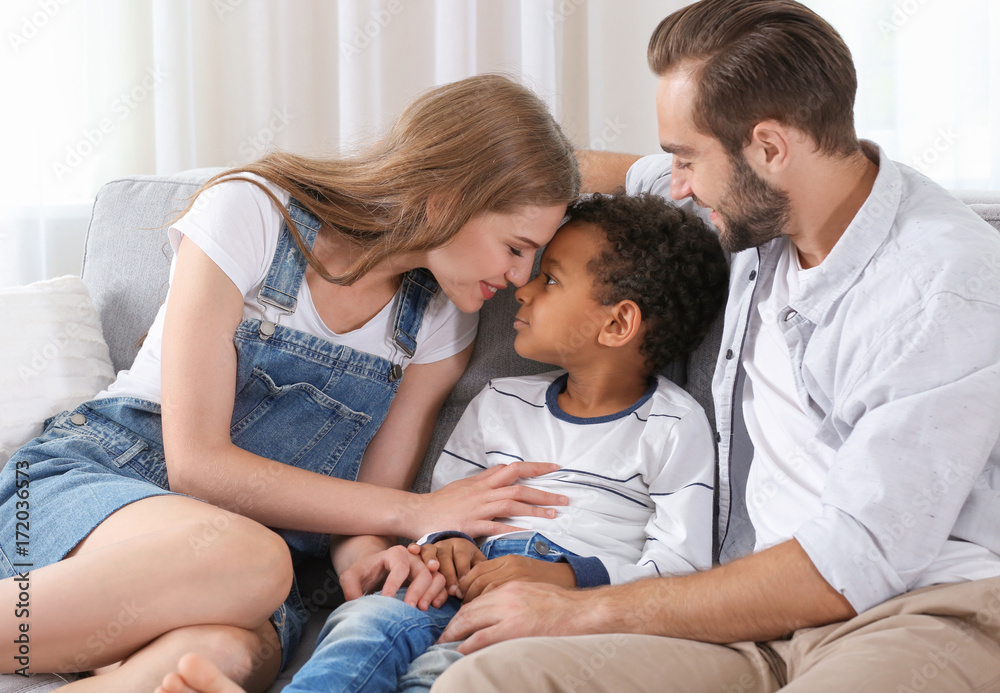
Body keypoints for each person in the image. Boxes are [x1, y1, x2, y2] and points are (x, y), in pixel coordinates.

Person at [420, 2, 1000, 691]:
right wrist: (414, 193)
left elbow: (855, 562)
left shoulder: (945, 283)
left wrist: (580, 609)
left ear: (771, 147)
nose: (676, 186)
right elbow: (568, 171)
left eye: (686, 157)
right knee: (480, 682)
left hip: (913, 614)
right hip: (746, 629)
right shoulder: (752, 214)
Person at [0, 74, 580, 692]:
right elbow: (196, 465)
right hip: (102, 479)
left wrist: (374, 559)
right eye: (516, 248)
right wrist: (419, 512)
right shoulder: (252, 211)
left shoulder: (441, 317)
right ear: (448, 196)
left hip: (239, 578)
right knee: (250, 560)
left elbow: (361, 506)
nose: (521, 276)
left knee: (224, 656)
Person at [152, 190, 730, 693]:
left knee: (453, 674)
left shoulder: (674, 426)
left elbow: (680, 568)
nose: (522, 289)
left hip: (547, 607)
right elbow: (446, 502)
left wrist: (566, 581)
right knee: (361, 629)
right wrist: (445, 542)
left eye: (550, 279)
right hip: (451, 581)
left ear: (617, 324)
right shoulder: (501, 402)